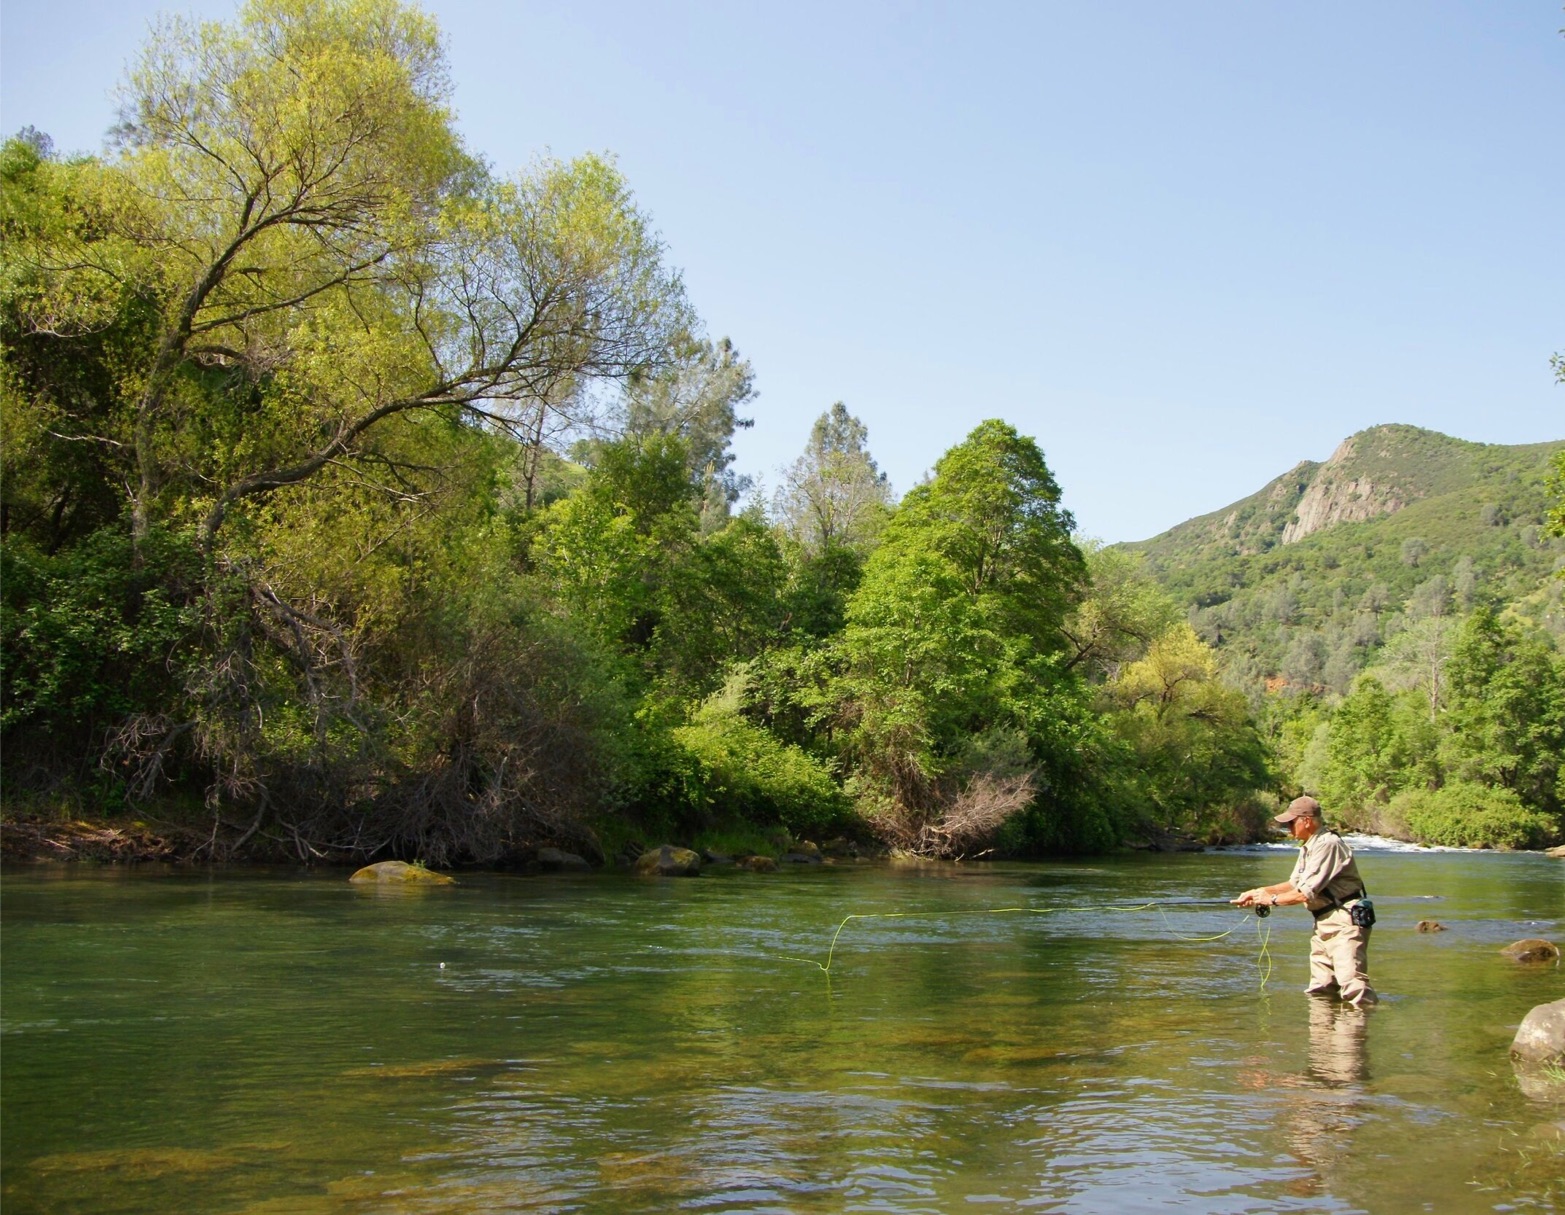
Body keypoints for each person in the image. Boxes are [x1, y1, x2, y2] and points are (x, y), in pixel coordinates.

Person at [1233, 795, 1377, 1007]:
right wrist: (1258, 892)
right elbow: (1294, 884)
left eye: (1291, 822)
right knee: (1321, 989)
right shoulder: (1309, 845)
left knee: (1354, 988)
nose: (1288, 828)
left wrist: (1270, 900)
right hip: (1323, 923)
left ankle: (1354, 1036)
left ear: (1306, 820)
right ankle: (1321, 1039)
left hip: (1344, 923)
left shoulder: (1329, 844)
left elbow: (1304, 893)